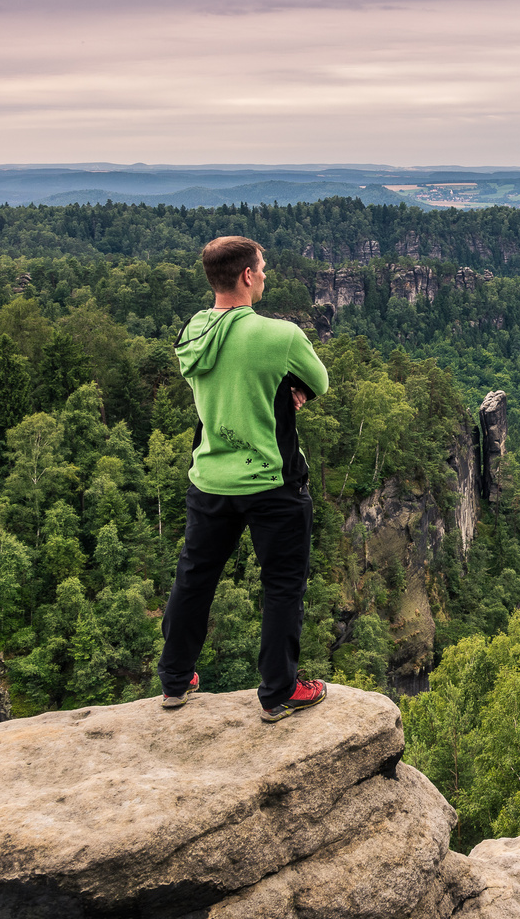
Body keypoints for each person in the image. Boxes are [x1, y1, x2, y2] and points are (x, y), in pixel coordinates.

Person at [157, 236, 332, 722]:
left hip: (211, 476)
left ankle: (175, 680)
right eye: (263, 267)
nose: (266, 274)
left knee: (195, 577)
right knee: (281, 586)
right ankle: (279, 692)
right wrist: (287, 386)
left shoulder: (191, 333)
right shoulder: (281, 336)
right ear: (247, 276)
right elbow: (318, 381)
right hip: (272, 481)